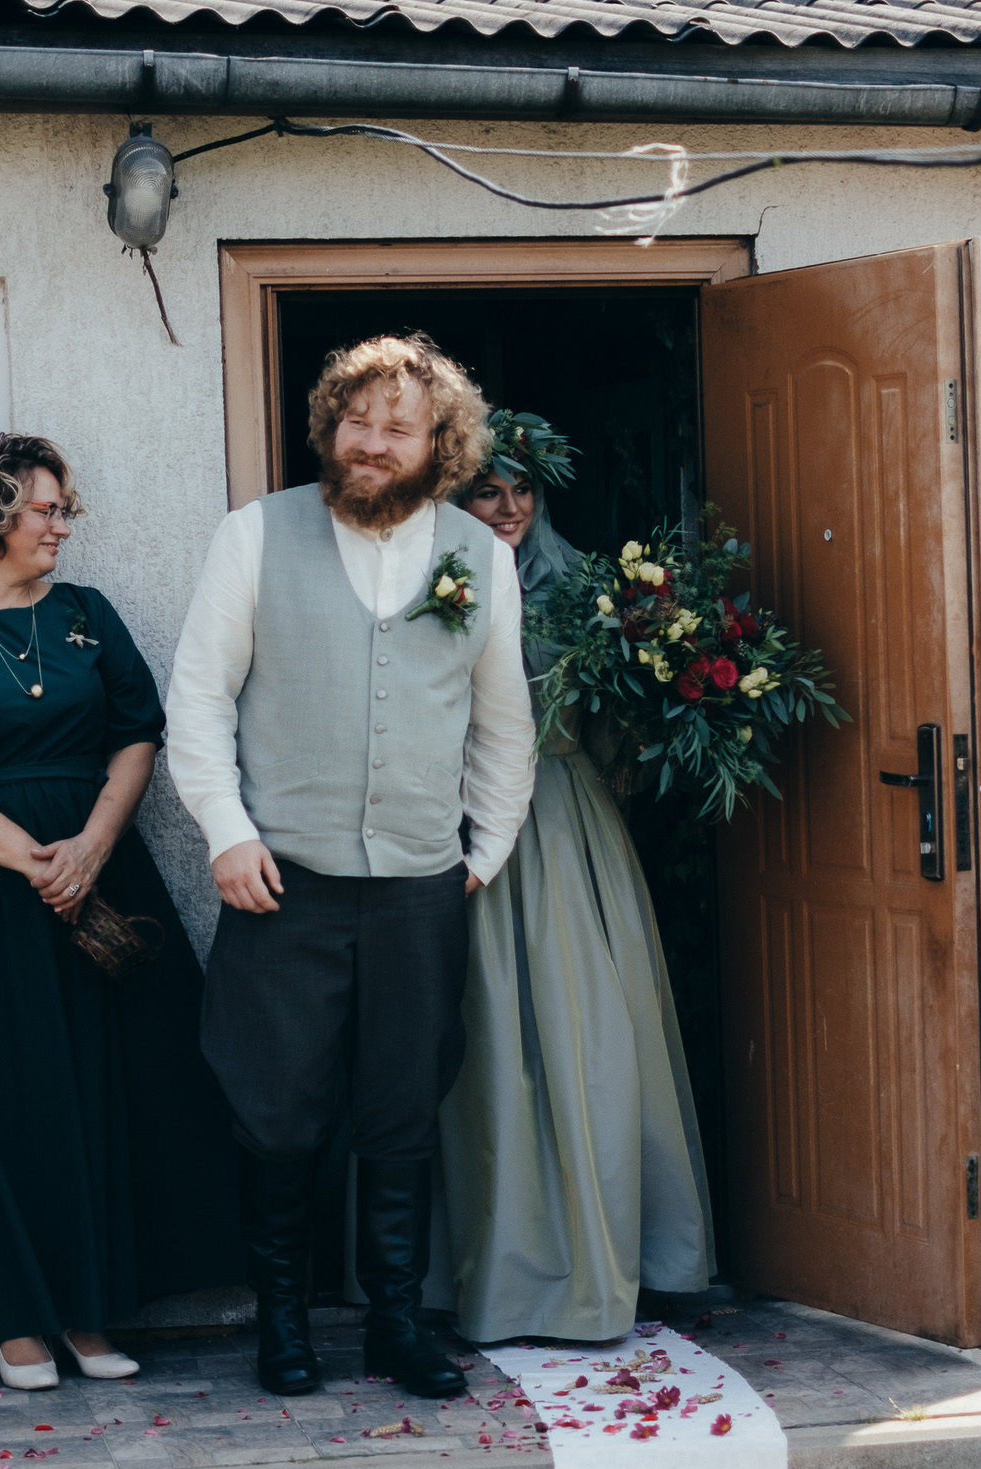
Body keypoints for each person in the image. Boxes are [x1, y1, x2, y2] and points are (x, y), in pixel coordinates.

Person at [167, 332, 535, 1400]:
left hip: (422, 885)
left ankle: (392, 1324)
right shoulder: (254, 534)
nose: (372, 443)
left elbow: (502, 726)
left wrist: (484, 851)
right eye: (356, 420)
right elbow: (197, 697)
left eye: (398, 427)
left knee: (401, 1110)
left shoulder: (482, 558)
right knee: (275, 1114)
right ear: (330, 423)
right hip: (281, 880)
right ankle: (281, 1324)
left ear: (438, 445)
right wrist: (227, 833)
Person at [0, 433, 239, 1391]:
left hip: (103, 870)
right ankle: (15, 1317)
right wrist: (35, 863)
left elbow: (137, 732)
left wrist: (93, 849)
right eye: (46, 509)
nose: (63, 525)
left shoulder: (85, 614)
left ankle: (93, 1308)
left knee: (115, 1082)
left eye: (66, 510)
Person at [439, 409, 714, 1343]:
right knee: (486, 1034)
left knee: (594, 1029)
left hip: (565, 817)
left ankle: (631, 1258)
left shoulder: (585, 590)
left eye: (522, 489)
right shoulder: (429, 586)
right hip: (466, 818)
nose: (508, 505)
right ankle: (483, 1267)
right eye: (487, 488)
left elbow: (613, 726)